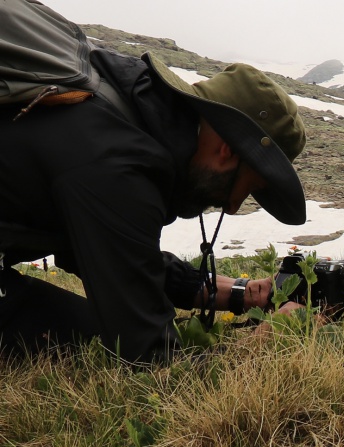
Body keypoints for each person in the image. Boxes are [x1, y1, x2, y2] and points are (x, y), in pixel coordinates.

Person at [0, 46, 310, 362]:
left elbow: (122, 256)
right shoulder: (119, 164)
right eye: (247, 187)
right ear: (227, 151)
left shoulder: (122, 116)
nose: (232, 206)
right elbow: (152, 359)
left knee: (80, 332)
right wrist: (263, 346)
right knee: (83, 345)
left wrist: (243, 293)